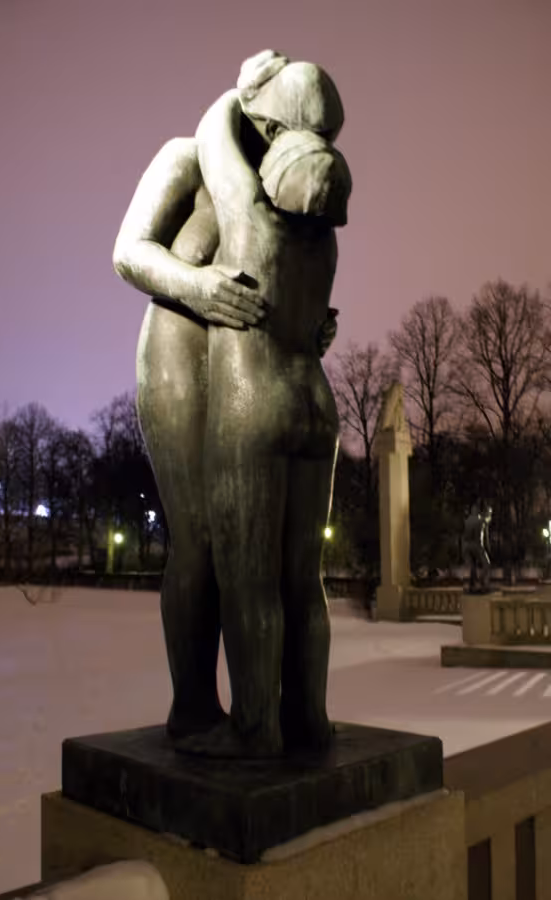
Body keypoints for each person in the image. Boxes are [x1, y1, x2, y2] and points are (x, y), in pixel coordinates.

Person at [112, 51, 345, 744]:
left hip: (254, 371)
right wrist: (197, 286)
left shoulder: (288, 185)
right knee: (202, 539)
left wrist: (310, 322)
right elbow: (129, 250)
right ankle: (192, 706)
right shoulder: (188, 157)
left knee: (266, 558)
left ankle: (274, 717)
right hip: (180, 354)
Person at [176, 93, 352, 757]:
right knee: (305, 584)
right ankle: (309, 720)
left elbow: (211, 135)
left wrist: (245, 96)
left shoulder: (251, 217)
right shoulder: (326, 243)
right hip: (318, 406)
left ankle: (254, 729)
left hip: (257, 403)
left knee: (250, 581)